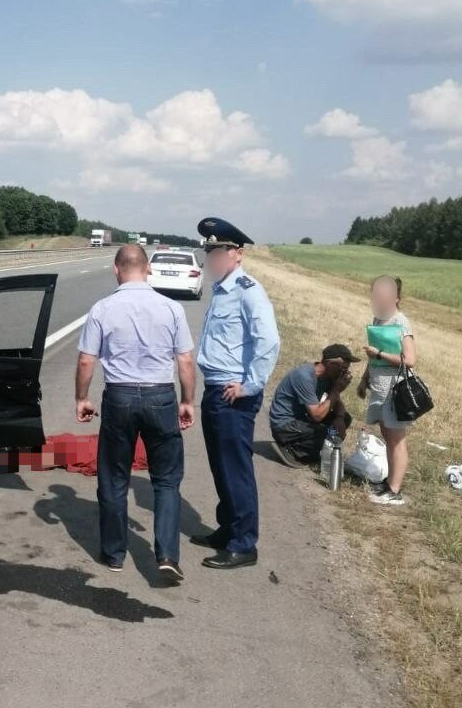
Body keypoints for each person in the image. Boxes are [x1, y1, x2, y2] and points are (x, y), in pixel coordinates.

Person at [75, 243, 196, 581]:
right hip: (161, 396)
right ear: (148, 269)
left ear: (116, 269)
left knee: (114, 477)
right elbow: (185, 360)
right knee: (167, 480)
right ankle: (167, 554)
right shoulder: (171, 308)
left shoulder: (102, 308)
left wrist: (82, 398)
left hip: (119, 397)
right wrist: (188, 401)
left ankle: (114, 553)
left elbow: (87, 359)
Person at [192, 217, 280, 570]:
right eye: (208, 252)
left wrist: (250, 385)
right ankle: (228, 528)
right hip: (216, 390)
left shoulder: (248, 291)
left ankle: (244, 544)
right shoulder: (223, 288)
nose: (211, 259)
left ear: (237, 254)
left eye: (218, 251)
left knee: (235, 469)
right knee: (220, 466)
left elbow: (269, 342)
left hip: (234, 395)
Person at [356, 275, 417, 505]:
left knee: (397, 439)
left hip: (395, 388)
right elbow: (374, 356)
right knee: (387, 436)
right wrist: (364, 379)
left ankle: (394, 490)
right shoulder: (379, 319)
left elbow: (410, 359)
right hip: (380, 387)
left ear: (396, 298)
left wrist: (378, 354)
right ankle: (389, 481)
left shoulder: (401, 323)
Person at [268, 344, 358, 466]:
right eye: (343, 369)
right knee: (324, 431)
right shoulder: (305, 376)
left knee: (344, 418)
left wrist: (340, 418)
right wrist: (336, 390)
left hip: (302, 419)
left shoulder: (328, 376)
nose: (345, 373)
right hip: (284, 425)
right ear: (330, 364)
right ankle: (291, 450)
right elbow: (317, 416)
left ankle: (314, 451)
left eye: (347, 370)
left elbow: (336, 402)